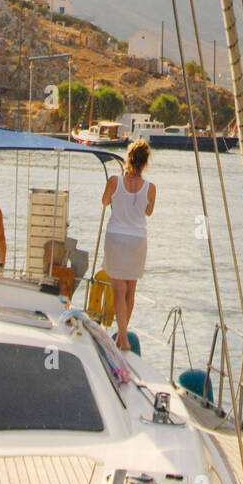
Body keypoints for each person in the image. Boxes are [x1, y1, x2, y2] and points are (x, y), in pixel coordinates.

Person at [101, 139, 155, 350]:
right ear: (145, 163)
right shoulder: (151, 188)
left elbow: (105, 201)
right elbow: (148, 211)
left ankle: (122, 337)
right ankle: (122, 337)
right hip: (137, 239)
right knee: (130, 289)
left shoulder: (115, 181)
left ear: (128, 159)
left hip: (116, 237)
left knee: (118, 288)